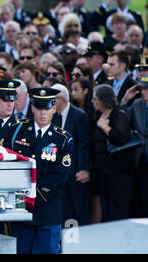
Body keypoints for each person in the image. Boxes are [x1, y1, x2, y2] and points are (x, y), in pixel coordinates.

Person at [11, 87, 74, 254]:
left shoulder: (63, 138)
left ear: (54, 108)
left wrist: (37, 194)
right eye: (39, 108)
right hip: (22, 206)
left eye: (47, 108)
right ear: (32, 108)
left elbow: (61, 174)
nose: (43, 113)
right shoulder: (17, 131)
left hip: (48, 207)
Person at [90, 84, 136, 222]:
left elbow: (121, 138)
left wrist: (106, 128)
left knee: (119, 208)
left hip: (119, 172)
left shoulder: (119, 115)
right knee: (106, 207)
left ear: (103, 100)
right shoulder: (98, 114)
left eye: (95, 99)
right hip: (103, 172)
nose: (92, 101)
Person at [52, 84, 91, 226]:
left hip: (75, 171)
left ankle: (79, 243)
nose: (51, 102)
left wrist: (84, 168)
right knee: (64, 209)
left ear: (62, 99)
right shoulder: (53, 115)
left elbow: (84, 144)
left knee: (77, 207)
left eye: (53, 99)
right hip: (59, 172)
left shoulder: (79, 115)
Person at [125, 77, 148, 218]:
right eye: (141, 89)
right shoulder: (137, 105)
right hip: (140, 158)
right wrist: (125, 99)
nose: (143, 92)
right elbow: (120, 117)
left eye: (146, 89)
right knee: (143, 195)